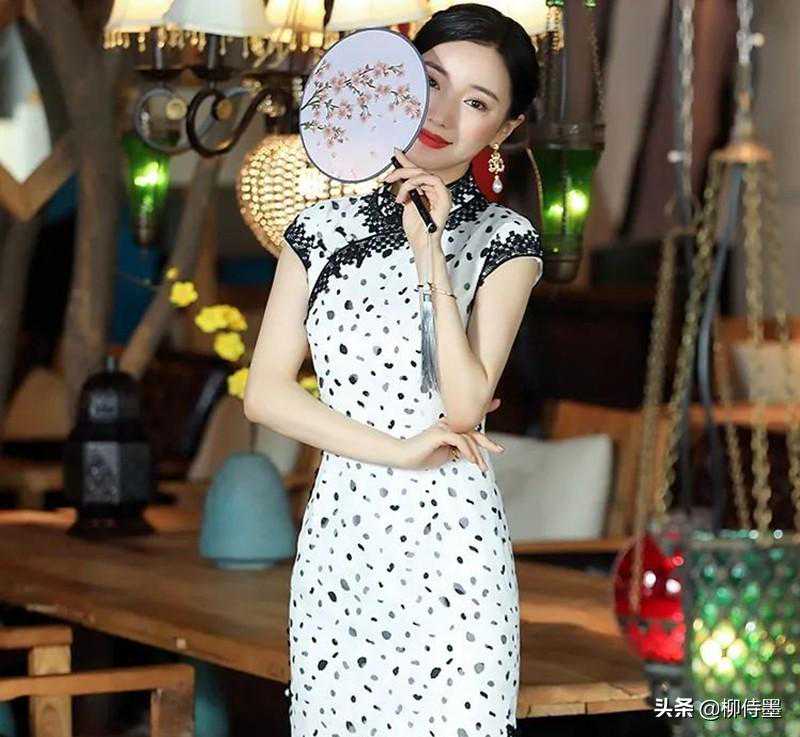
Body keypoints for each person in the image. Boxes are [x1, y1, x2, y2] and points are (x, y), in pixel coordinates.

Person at [244, 4, 543, 735]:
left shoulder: (507, 239)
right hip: (341, 540)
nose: (442, 111)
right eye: (431, 81)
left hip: (453, 550)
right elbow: (265, 395)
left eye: (477, 102)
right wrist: (397, 450)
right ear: (396, 78)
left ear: (502, 130)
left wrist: (430, 252)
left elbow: (465, 407)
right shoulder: (318, 229)